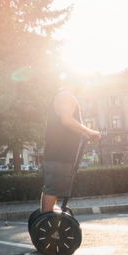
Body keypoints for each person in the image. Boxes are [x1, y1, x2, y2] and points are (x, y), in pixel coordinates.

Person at [40, 74, 101, 213]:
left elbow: (67, 124)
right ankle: (46, 227)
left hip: (57, 155)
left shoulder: (62, 95)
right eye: (84, 83)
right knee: (52, 189)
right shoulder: (66, 95)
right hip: (59, 155)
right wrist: (89, 131)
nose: (85, 88)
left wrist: (85, 133)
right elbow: (67, 120)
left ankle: (43, 223)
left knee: (50, 189)